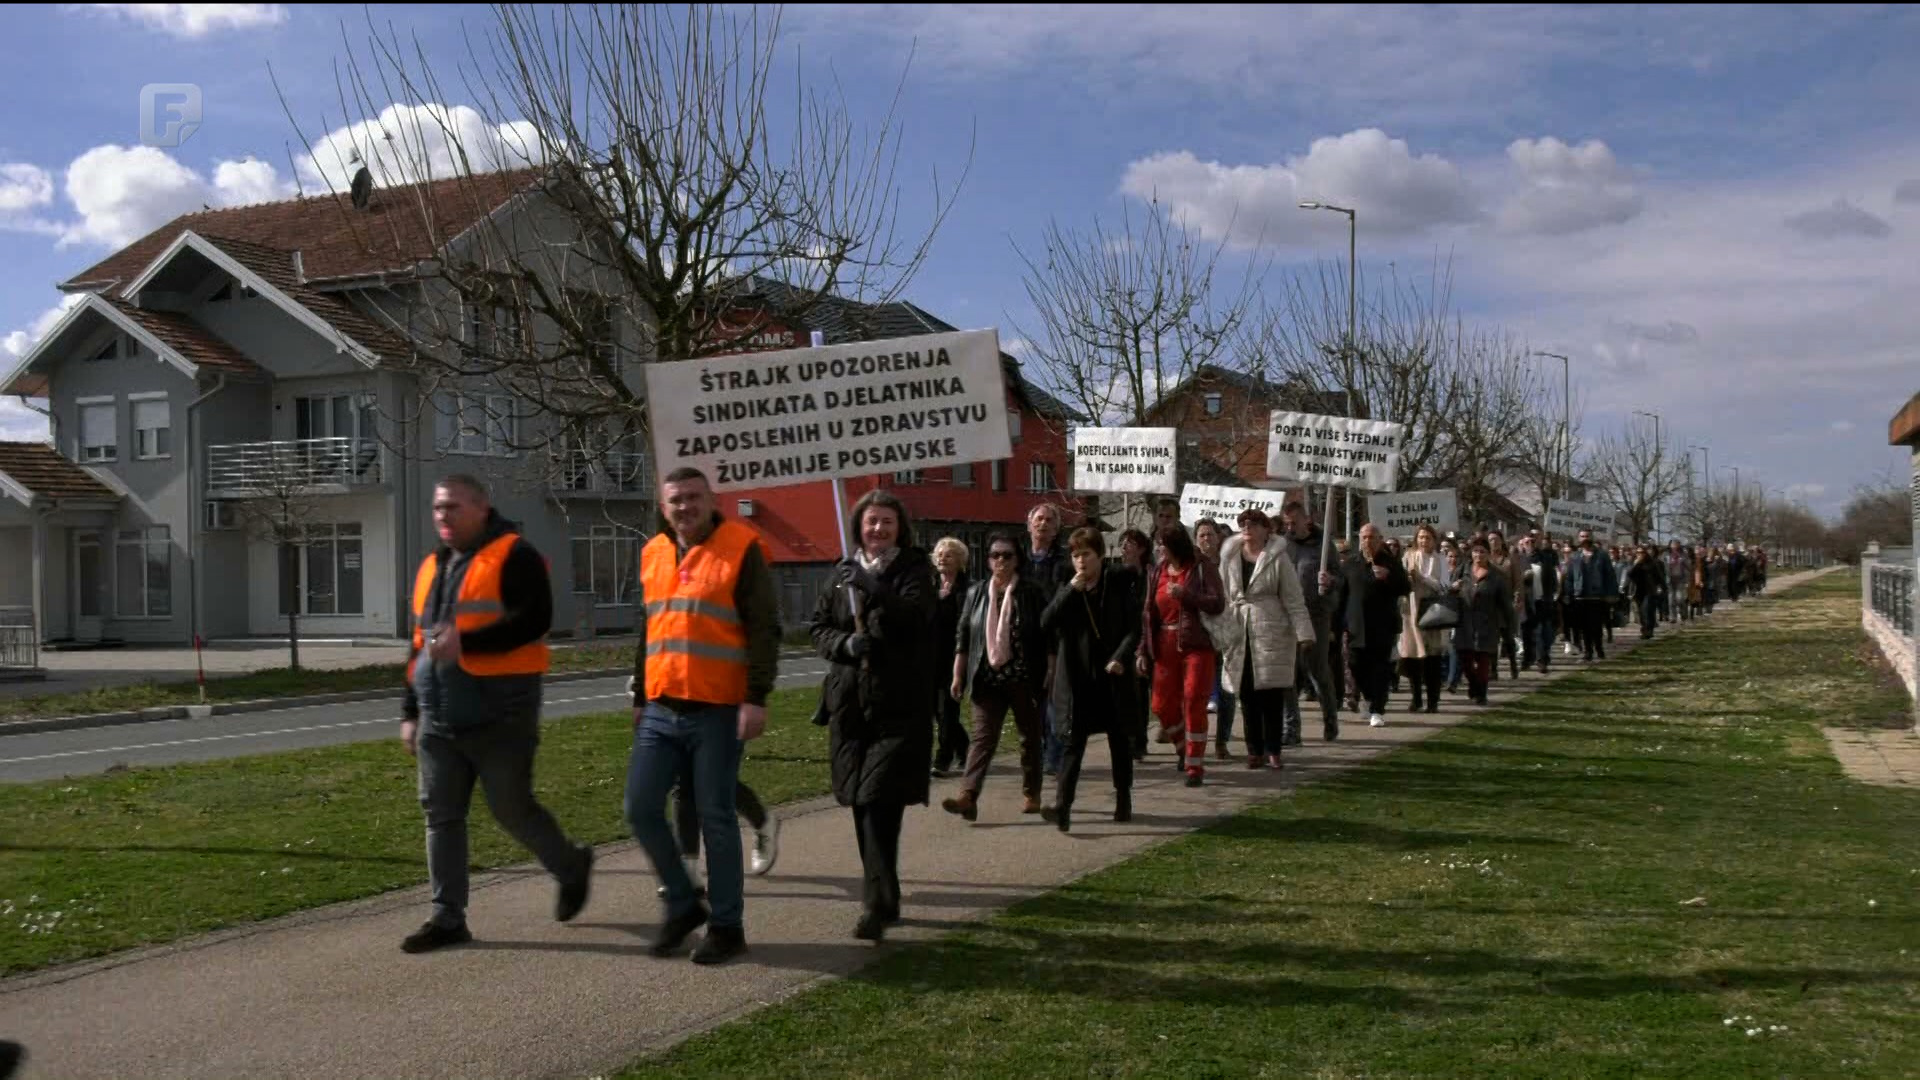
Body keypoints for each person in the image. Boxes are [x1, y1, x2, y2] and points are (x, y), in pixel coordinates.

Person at [397, 474, 594, 955]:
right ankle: (447, 918)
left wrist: (468, 642)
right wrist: (409, 710)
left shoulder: (515, 554)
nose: (443, 515)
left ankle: (570, 866)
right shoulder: (431, 567)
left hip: (501, 715)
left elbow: (535, 619)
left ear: (482, 508)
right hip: (439, 718)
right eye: (438, 507)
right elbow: (420, 644)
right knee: (440, 814)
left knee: (511, 809)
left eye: (453, 506)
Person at [628, 466, 781, 966]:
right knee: (640, 807)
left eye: (693, 497)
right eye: (675, 500)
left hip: (718, 708)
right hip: (661, 706)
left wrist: (756, 697)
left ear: (712, 500)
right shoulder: (653, 552)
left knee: (715, 816)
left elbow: (763, 629)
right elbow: (650, 627)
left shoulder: (741, 547)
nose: (684, 507)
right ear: (663, 505)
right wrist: (640, 695)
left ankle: (727, 926)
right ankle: (683, 901)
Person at [811, 490, 935, 942]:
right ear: (858, 527)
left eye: (886, 521)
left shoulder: (914, 570)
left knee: (879, 800)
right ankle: (886, 892)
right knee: (862, 803)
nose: (878, 529)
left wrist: (873, 586)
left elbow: (916, 618)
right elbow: (818, 627)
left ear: (899, 527)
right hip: (850, 706)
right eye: (871, 521)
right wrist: (844, 644)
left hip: (898, 705)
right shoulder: (841, 574)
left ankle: (875, 903)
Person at [944, 532, 1049, 821]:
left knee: (1029, 737)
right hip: (986, 678)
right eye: (995, 555)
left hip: (1024, 678)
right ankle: (968, 796)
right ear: (988, 560)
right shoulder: (977, 593)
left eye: (1007, 555)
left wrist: (1050, 669)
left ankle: (1032, 792)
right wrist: (957, 674)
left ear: (1017, 559)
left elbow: (1047, 633)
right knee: (982, 738)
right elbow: (964, 635)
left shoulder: (1031, 592)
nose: (1000, 560)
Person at [1041, 527, 1141, 831]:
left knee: (1119, 740)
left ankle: (1123, 798)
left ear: (1100, 555)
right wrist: (1070, 591)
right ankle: (1062, 807)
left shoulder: (1119, 584)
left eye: (1086, 554)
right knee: (1074, 742)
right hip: (1080, 678)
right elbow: (1046, 621)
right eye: (1076, 555)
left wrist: (1121, 657)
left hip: (1112, 675)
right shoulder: (1068, 587)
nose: (1081, 561)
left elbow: (1134, 629)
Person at [1217, 508, 1316, 770]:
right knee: (1247, 692)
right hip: (1239, 630)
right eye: (1243, 524)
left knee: (1271, 693)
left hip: (1271, 630)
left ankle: (1273, 749)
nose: (1247, 528)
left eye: (1253, 524)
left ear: (1265, 529)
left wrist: (1304, 633)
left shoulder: (1278, 558)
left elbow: (1294, 599)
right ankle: (1254, 750)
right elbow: (1223, 597)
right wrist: (1219, 631)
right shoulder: (1230, 557)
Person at [1136, 523, 1226, 786]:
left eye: (1162, 544)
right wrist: (1142, 649)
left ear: (1174, 545)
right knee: (1160, 705)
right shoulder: (1158, 571)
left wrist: (1186, 595)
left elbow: (1217, 602)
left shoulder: (1201, 566)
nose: (1159, 549)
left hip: (1196, 644)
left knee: (1194, 699)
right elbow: (1148, 614)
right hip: (1164, 645)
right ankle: (1182, 747)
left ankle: (1194, 767)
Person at [1324, 523, 1411, 728]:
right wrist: (1335, 624)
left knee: (1380, 668)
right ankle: (1369, 697)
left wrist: (1388, 577)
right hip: (1356, 626)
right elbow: (1342, 595)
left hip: (1382, 625)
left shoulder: (1391, 563)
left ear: (1380, 540)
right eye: (1364, 537)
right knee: (1356, 665)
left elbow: (1405, 588)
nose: (1368, 541)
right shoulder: (1351, 564)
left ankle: (1377, 710)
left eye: (1372, 537)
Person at [1278, 500, 1340, 742]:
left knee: (1318, 671)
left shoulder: (1324, 545)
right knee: (1288, 674)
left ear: (1307, 519)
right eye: (1287, 523)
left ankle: (1330, 720)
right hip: (1288, 615)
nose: (1290, 528)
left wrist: (1330, 581)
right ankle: (1291, 728)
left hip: (1315, 615)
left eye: (1294, 522)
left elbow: (1340, 577)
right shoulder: (1283, 546)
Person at [1024, 504, 1075, 778]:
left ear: (1056, 529)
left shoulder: (1064, 563)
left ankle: (1054, 755)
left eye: (1049, 520)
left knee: (1055, 699)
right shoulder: (1019, 560)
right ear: (1029, 524)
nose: (1043, 524)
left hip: (1056, 637)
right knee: (1032, 702)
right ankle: (1039, 751)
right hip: (1025, 639)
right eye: (1039, 519)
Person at [1193, 518, 1240, 761]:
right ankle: (1195, 740)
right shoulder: (1192, 567)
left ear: (1218, 537)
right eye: (1202, 535)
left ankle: (1222, 741)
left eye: (1210, 534)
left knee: (1226, 691)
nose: (1206, 539)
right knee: (1197, 692)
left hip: (1224, 633)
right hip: (1199, 635)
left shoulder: (1229, 564)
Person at [930, 537, 973, 777]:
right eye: (939, 554)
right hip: (931, 657)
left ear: (960, 560)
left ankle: (943, 758)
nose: (942, 558)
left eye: (948, 555)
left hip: (955, 657)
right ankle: (965, 748)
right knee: (938, 712)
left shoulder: (967, 589)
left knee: (947, 709)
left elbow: (964, 625)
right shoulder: (929, 586)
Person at [1451, 542, 1513, 705]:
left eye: (1482, 552)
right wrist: (1453, 589)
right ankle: (1474, 684)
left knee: (1483, 660)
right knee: (1465, 659)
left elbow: (1505, 604)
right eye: (1476, 551)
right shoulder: (1462, 571)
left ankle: (1482, 694)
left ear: (1488, 554)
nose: (1478, 555)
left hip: (1487, 623)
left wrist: (1509, 626)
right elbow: (1449, 592)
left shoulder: (1496, 576)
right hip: (1464, 623)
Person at [1399, 523, 1451, 715]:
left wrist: (1422, 577)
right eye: (1421, 537)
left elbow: (1444, 586)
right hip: (1411, 611)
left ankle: (1433, 701)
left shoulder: (1440, 560)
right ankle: (1416, 699)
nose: (1424, 541)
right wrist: (1408, 579)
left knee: (1432, 659)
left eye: (1427, 537)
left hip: (1432, 612)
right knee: (1413, 658)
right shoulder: (1409, 556)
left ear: (1434, 540)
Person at [1115, 528, 1155, 761]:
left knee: (1142, 693)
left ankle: (1140, 741)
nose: (1124, 547)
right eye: (1122, 543)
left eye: (1129, 543)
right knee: (1127, 694)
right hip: (1122, 640)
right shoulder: (1116, 575)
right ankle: (1131, 740)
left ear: (1141, 549)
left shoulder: (1149, 576)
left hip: (1146, 640)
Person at [1561, 529, 1618, 662]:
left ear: (1591, 537)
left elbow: (1610, 575)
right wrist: (1568, 594)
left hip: (1597, 596)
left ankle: (1599, 648)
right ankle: (1588, 652)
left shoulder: (1602, 556)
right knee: (1584, 626)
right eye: (1582, 536)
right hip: (1580, 596)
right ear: (1578, 539)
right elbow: (1569, 577)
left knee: (1596, 625)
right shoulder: (1575, 557)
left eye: (1587, 536)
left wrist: (1611, 593)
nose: (1585, 538)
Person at [1522, 531, 1561, 675]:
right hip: (1526, 601)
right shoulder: (1520, 559)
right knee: (1528, 632)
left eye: (1533, 542)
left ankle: (1542, 658)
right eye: (1527, 542)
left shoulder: (1545, 558)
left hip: (1543, 600)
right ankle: (1531, 658)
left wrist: (1551, 596)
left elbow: (1552, 578)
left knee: (1544, 632)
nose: (1530, 545)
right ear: (1523, 544)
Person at [1626, 545, 1666, 640]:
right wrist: (1636, 564)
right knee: (1641, 612)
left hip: (1650, 590)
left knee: (1647, 610)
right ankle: (1644, 629)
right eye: (1638, 553)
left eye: (1642, 552)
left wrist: (1662, 587)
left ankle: (1648, 630)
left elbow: (1659, 576)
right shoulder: (1635, 563)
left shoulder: (1651, 564)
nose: (1640, 554)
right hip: (1638, 591)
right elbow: (1630, 575)